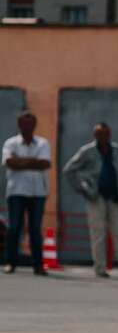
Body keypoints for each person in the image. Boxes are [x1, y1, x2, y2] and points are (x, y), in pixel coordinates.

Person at [61, 122, 118, 278]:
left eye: (106, 134)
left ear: (109, 135)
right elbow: (69, 170)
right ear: (95, 135)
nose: (103, 137)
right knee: (98, 234)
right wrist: (82, 188)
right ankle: (100, 268)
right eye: (99, 134)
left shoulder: (117, 151)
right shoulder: (87, 151)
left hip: (115, 197)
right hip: (96, 196)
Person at [3, 110, 52, 276]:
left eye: (30, 124)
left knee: (35, 229)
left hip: (38, 192)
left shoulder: (43, 143)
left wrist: (20, 161)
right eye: (24, 124)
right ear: (19, 125)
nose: (27, 127)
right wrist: (33, 162)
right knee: (14, 228)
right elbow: (10, 162)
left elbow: (45, 164)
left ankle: (37, 265)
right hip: (16, 191)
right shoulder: (11, 143)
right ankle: (11, 262)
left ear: (34, 125)